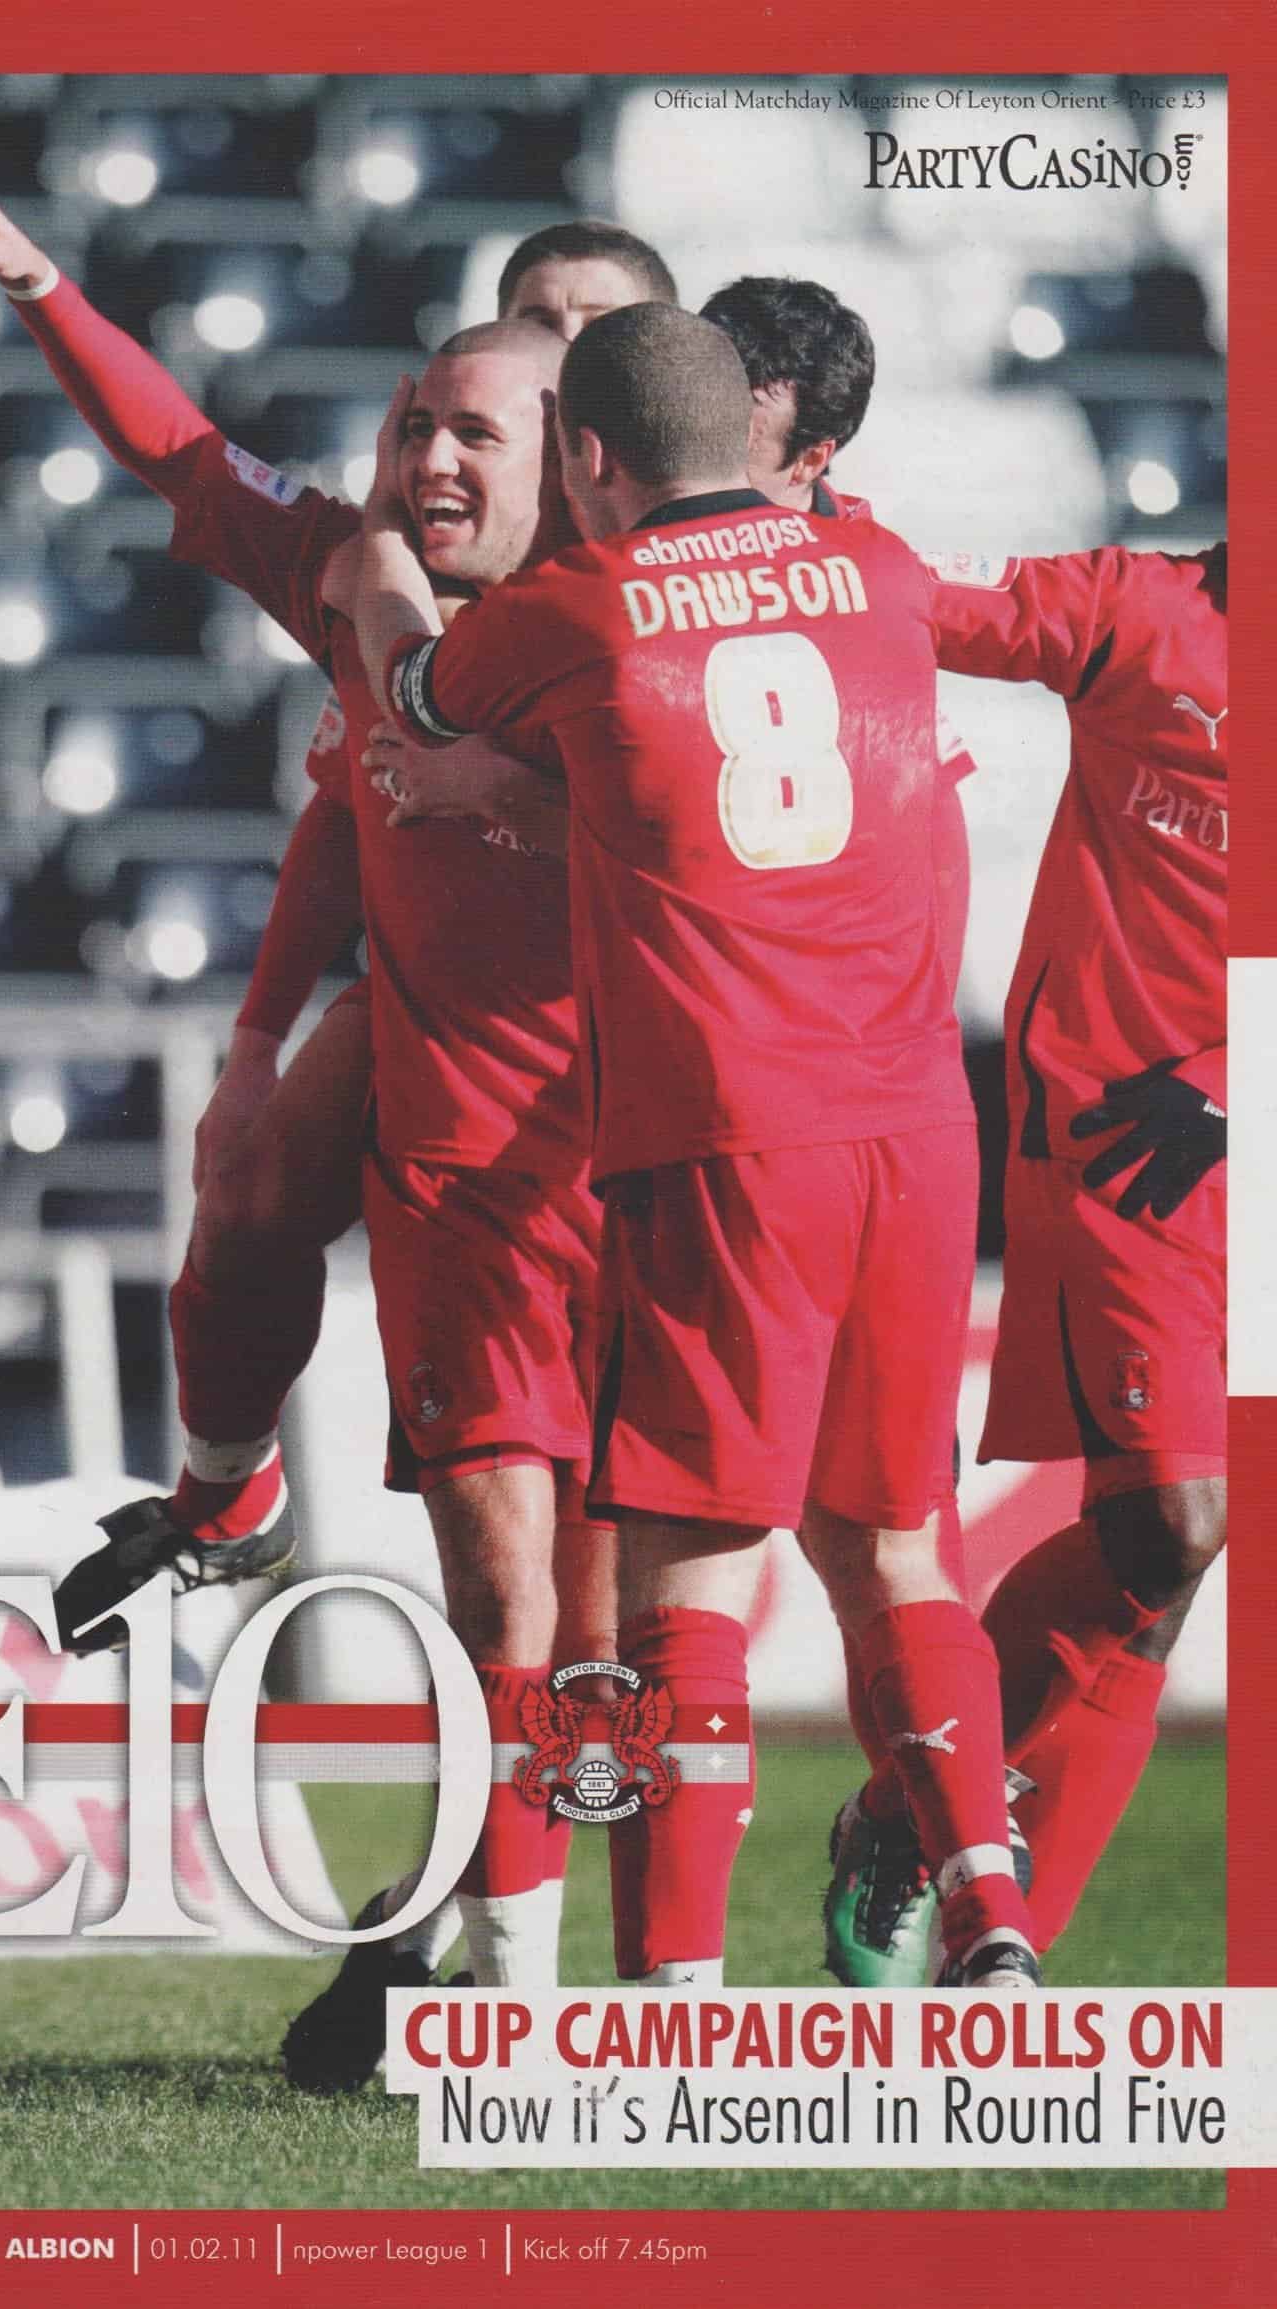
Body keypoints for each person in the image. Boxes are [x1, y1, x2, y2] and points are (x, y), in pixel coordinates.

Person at [0, 140, 635, 2062]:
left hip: (662, 1147)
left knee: (612, 1626)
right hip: (475, 1121)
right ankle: (234, 1502)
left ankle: (501, 1942)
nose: (440, 448)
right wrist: (43, 285)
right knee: (495, 1562)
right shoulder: (377, 571)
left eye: (566, 359)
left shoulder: (673, 609)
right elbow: (200, 474)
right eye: (456, 388)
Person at [352, 302, 1041, 1991]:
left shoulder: (580, 600)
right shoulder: (876, 568)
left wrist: (375, 569)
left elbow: (420, 694)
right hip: (921, 1129)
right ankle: (993, 1916)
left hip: (729, 1141)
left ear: (583, 455)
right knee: (897, 1547)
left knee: (690, 1581)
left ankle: (673, 1998)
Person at [824, 543, 1227, 1981]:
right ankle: (913, 1814)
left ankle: (983, 1960)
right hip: (1134, 1150)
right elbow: (929, 607)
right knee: (1170, 1525)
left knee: (1160, 1590)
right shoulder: (1142, 613)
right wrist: (787, 521)